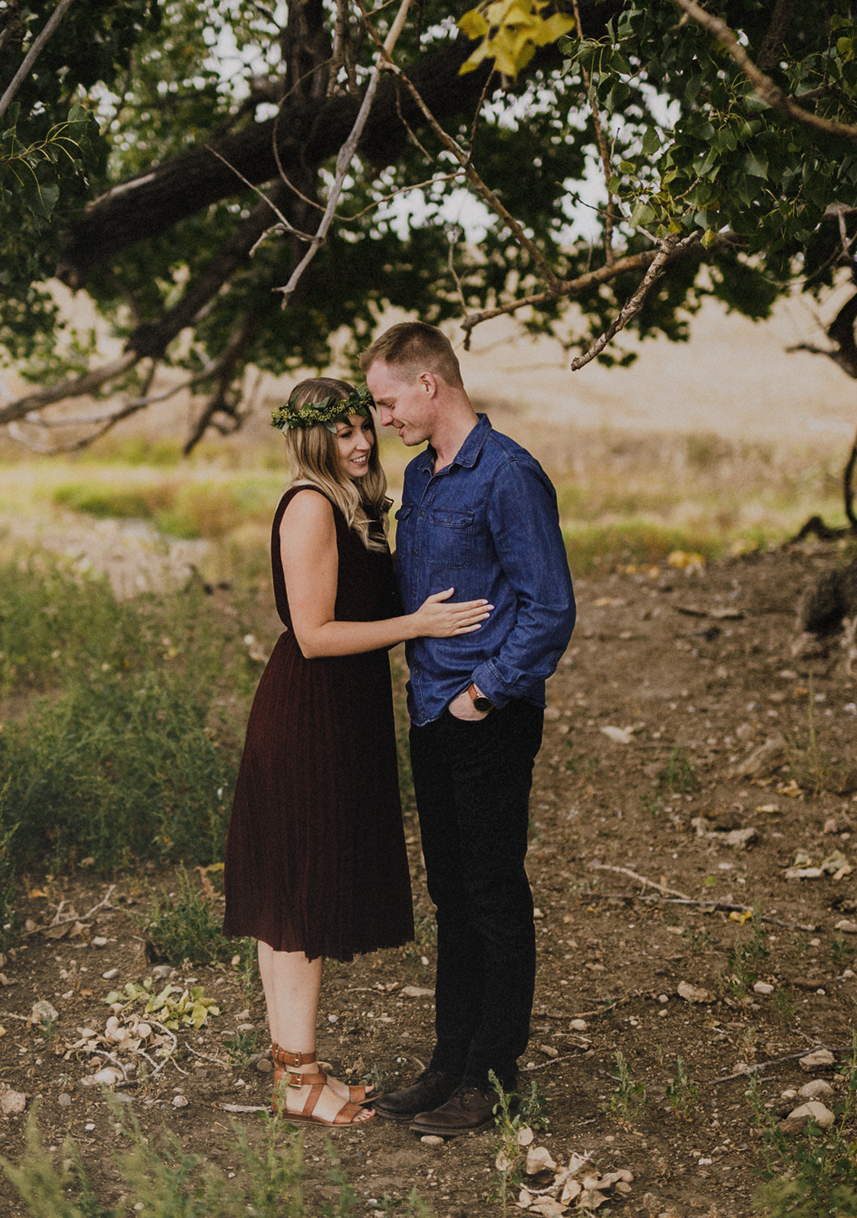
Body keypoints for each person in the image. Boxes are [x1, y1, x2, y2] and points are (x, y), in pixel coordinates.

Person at [222, 377, 494, 1127]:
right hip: (311, 711)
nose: (363, 441)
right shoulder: (311, 505)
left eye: (364, 426)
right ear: (312, 439)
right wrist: (418, 625)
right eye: (343, 433)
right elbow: (314, 634)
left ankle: (294, 1073)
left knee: (290, 898)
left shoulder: (352, 503)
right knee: (300, 898)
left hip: (339, 710)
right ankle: (302, 1078)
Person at [362, 322, 577, 1138]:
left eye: (388, 401)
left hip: (485, 715)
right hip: (429, 711)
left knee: (492, 892)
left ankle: (494, 1073)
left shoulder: (509, 474)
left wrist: (483, 694)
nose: (384, 417)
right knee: (451, 894)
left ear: (430, 384)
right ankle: (449, 1060)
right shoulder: (421, 479)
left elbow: (549, 606)